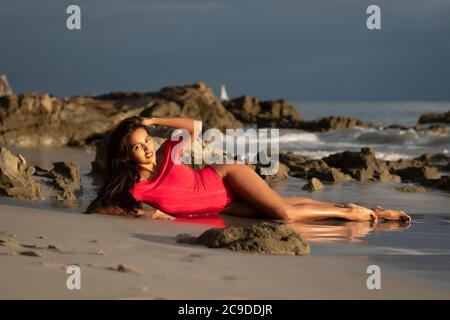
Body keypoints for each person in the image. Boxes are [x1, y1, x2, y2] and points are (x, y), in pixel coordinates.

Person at [85, 116, 411, 224]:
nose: (146, 148)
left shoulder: (169, 152)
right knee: (285, 208)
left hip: (226, 175)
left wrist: (152, 121)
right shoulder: (135, 191)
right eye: (137, 146)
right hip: (223, 204)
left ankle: (355, 215)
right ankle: (376, 213)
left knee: (285, 214)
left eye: (146, 141)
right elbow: (111, 211)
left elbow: (196, 126)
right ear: (125, 156)